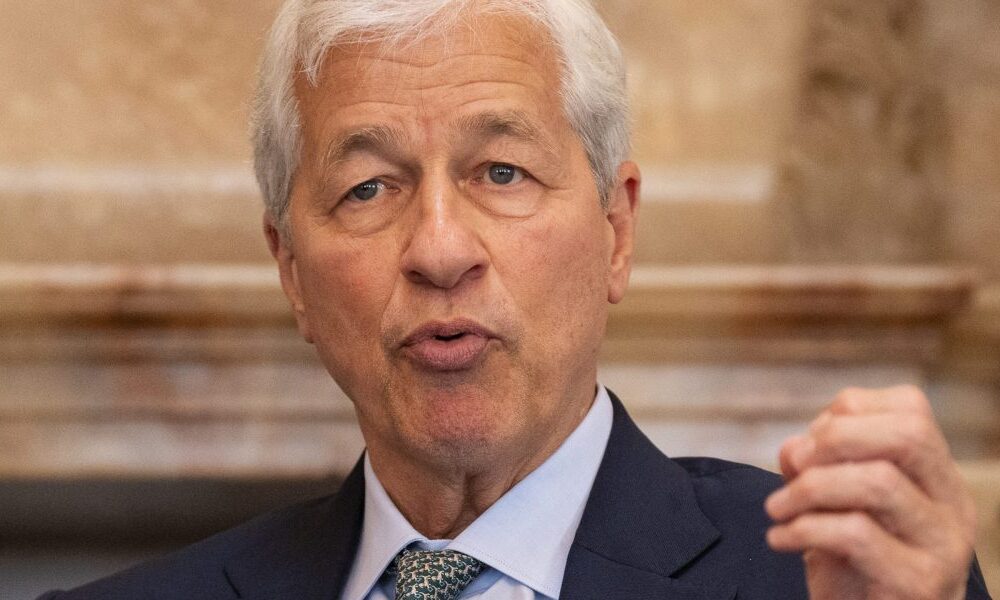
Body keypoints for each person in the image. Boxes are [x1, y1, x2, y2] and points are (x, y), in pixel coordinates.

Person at [40, 0, 991, 598]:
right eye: (368, 188)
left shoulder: (826, 575)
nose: (440, 249)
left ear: (616, 230)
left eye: (502, 171)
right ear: (290, 269)